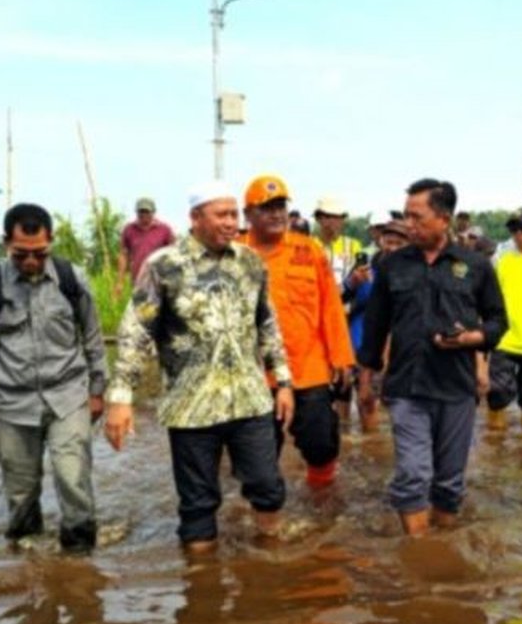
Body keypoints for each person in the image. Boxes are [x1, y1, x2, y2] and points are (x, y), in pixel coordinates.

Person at [104, 181, 294, 554]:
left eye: (234, 214)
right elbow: (135, 331)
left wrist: (283, 381)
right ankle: (201, 591)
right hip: (191, 407)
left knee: (268, 489)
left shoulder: (251, 263)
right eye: (221, 215)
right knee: (197, 506)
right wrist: (120, 397)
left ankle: (269, 572)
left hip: (250, 401)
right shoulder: (164, 266)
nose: (230, 223)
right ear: (195, 218)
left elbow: (266, 323)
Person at [0, 203, 108, 553]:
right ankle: (28, 564)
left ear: (51, 242)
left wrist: (98, 391)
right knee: (21, 490)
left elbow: (93, 340)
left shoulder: (72, 280)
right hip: (12, 404)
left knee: (73, 479)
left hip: (68, 395)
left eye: (40, 254)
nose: (30, 262)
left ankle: (80, 561)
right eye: (21, 254)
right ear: (5, 243)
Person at [360, 179, 506, 536]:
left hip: (456, 387)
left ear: (443, 219)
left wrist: (473, 339)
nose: (409, 224)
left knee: (449, 481)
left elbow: (499, 321)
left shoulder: (476, 266)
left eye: (417, 217)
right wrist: (365, 383)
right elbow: (375, 327)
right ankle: (420, 551)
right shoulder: (393, 266)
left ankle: (443, 547)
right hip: (406, 386)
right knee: (412, 474)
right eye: (407, 215)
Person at [240, 175, 356, 489]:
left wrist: (342, 357)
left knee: (321, 445)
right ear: (248, 213)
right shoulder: (235, 254)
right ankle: (264, 515)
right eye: (266, 208)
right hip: (254, 375)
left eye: (280, 206)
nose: (276, 213)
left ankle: (322, 512)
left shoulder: (309, 251)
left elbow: (331, 306)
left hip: (309, 369)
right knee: (257, 456)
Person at [345, 219, 411, 432]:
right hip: (364, 343)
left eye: (397, 243)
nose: (391, 247)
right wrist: (353, 282)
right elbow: (340, 300)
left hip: (400, 350)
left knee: (400, 406)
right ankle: (372, 451)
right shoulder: (367, 268)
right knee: (366, 401)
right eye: (387, 241)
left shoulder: (414, 272)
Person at [486, 209, 522, 433]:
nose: (519, 234)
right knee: (497, 393)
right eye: (513, 229)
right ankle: (496, 443)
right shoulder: (500, 258)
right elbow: (487, 295)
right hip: (504, 339)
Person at [115, 197, 174, 298]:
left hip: (160, 279)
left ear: (153, 212)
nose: (143, 215)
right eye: (140, 211)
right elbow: (123, 255)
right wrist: (120, 282)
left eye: (146, 211)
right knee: (141, 310)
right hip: (138, 279)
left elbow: (173, 254)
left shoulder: (164, 229)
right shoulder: (129, 230)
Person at [313, 197, 363, 292]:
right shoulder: (309, 245)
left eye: (338, 217)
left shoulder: (353, 245)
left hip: (346, 303)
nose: (333, 222)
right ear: (318, 219)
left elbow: (360, 278)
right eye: (328, 217)